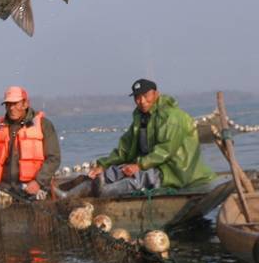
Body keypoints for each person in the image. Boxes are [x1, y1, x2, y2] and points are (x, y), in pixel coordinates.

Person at [84, 79, 216, 196]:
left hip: (174, 170)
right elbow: (125, 149)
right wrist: (103, 165)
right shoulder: (141, 118)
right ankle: (90, 186)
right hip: (151, 164)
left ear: (156, 94)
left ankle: (102, 194)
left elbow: (165, 151)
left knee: (140, 179)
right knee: (114, 172)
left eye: (146, 96)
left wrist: (139, 165)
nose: (141, 101)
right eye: (137, 97)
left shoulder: (172, 117)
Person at [0, 86, 61, 200]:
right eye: (8, 104)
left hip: (35, 191)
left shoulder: (44, 125)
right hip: (3, 192)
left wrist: (38, 182)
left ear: (25, 104)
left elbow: (54, 158)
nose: (11, 108)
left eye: (15, 103)